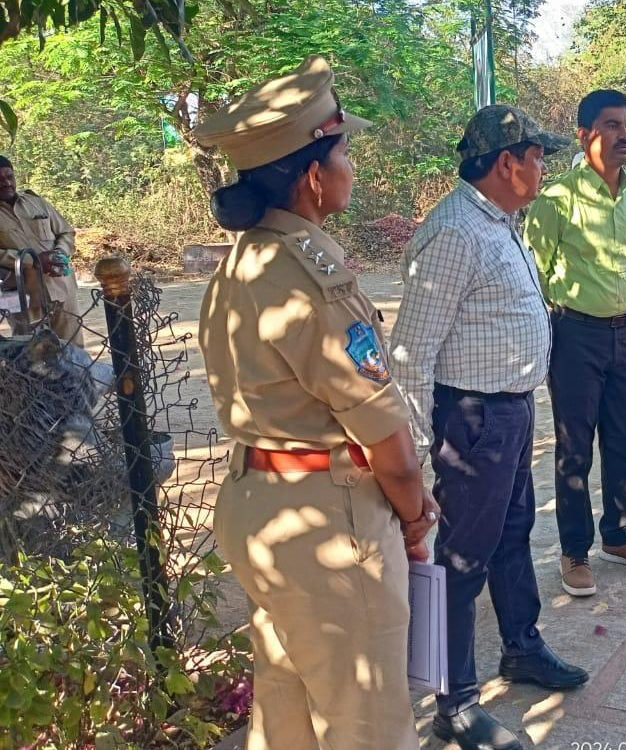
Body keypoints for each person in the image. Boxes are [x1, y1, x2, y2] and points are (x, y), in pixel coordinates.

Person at [193, 56, 439, 750]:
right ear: (311, 175)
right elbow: (384, 437)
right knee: (366, 726)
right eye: (345, 152)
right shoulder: (311, 278)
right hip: (329, 527)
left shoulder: (241, 264)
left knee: (288, 710)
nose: (352, 168)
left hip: (259, 507)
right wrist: (416, 518)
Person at [389, 104, 588, 750]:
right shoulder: (455, 232)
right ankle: (453, 701)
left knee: (512, 534)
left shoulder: (497, 222)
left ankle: (521, 646)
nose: (541, 168)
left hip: (508, 412)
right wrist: (417, 456)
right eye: (536, 157)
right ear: (507, 162)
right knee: (458, 560)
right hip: (470, 421)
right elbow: (411, 354)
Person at [524, 89, 626, 598]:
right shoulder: (555, 199)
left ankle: (619, 535)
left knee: (622, 442)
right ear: (585, 134)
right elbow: (535, 272)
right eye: (611, 125)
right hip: (575, 336)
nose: (623, 135)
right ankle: (574, 549)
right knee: (574, 449)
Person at [0, 156, 84, 346]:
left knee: (74, 350)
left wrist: (59, 254)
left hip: (60, 287)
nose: (6, 183)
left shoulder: (36, 202)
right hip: (22, 297)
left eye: (9, 177)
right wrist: (32, 260)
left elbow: (66, 232)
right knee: (32, 356)